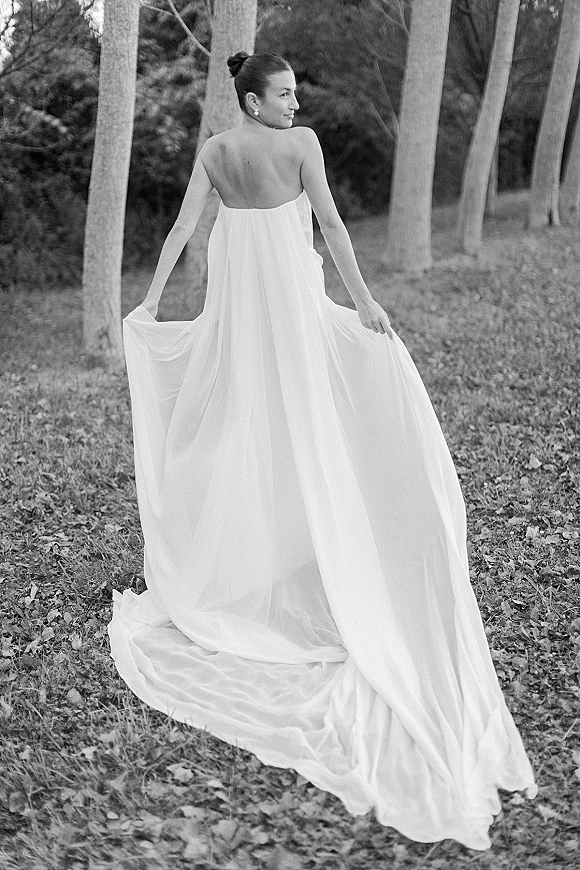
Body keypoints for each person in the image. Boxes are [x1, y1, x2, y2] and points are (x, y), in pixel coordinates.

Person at [109, 51, 537, 852]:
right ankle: (305, 542)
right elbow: (331, 226)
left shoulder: (217, 152)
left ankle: (286, 542)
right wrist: (363, 301)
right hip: (287, 315)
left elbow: (185, 230)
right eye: (283, 93)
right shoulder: (297, 146)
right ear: (251, 100)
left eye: (295, 93)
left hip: (250, 317)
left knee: (260, 424)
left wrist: (153, 301)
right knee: (305, 421)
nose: (295, 103)